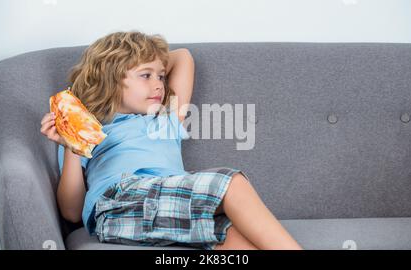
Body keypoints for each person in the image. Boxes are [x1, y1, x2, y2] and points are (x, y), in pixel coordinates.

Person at [40, 31, 302, 250]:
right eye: (146, 75)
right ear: (110, 79)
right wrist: (72, 145)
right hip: (119, 201)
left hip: (171, 197)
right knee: (232, 183)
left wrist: (147, 57)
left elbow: (183, 56)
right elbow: (71, 212)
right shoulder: (89, 128)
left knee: (235, 238)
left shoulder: (165, 120)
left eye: (161, 76)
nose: (158, 85)